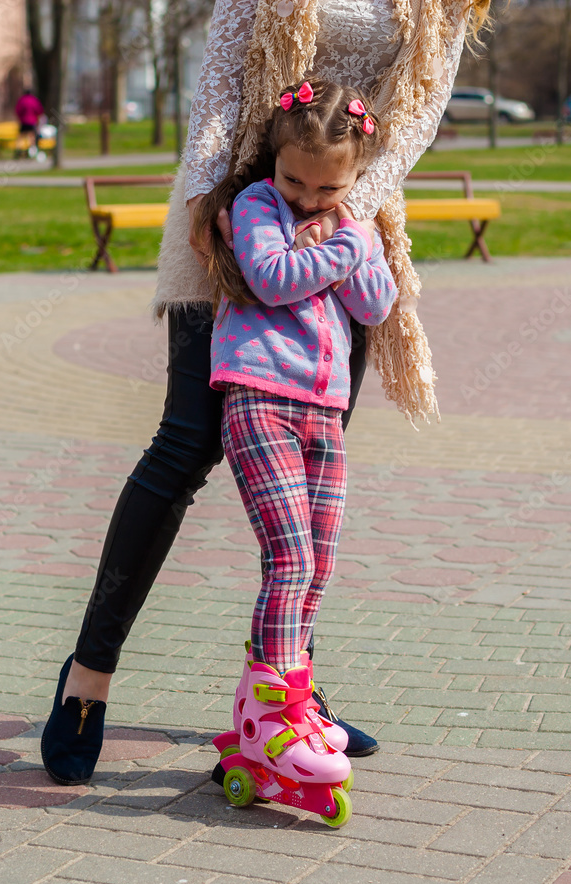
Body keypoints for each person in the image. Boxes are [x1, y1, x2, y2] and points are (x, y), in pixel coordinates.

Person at [40, 0, 490, 787]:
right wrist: (210, 205)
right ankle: (89, 679)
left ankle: (284, 697)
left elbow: (416, 115)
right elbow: (218, 87)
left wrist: (341, 210)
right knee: (184, 446)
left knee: (311, 489)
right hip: (229, 216)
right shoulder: (229, 205)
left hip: (343, 222)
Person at [201, 79, 396, 791]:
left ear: (354, 176)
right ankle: (275, 714)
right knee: (289, 555)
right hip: (258, 397)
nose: (307, 200)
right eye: (295, 181)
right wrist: (343, 253)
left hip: (323, 410)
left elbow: (378, 301)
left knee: (319, 561)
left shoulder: (350, 224)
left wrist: (344, 243)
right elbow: (273, 276)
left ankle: (286, 699)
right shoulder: (255, 207)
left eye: (327, 188)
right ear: (274, 162)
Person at [15, 89, 45, 155]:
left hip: (23, 121)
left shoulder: (22, 100)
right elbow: (39, 110)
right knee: (32, 137)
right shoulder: (34, 100)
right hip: (31, 121)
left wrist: (20, 118)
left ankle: (18, 150)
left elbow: (18, 110)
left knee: (21, 136)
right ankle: (32, 152)